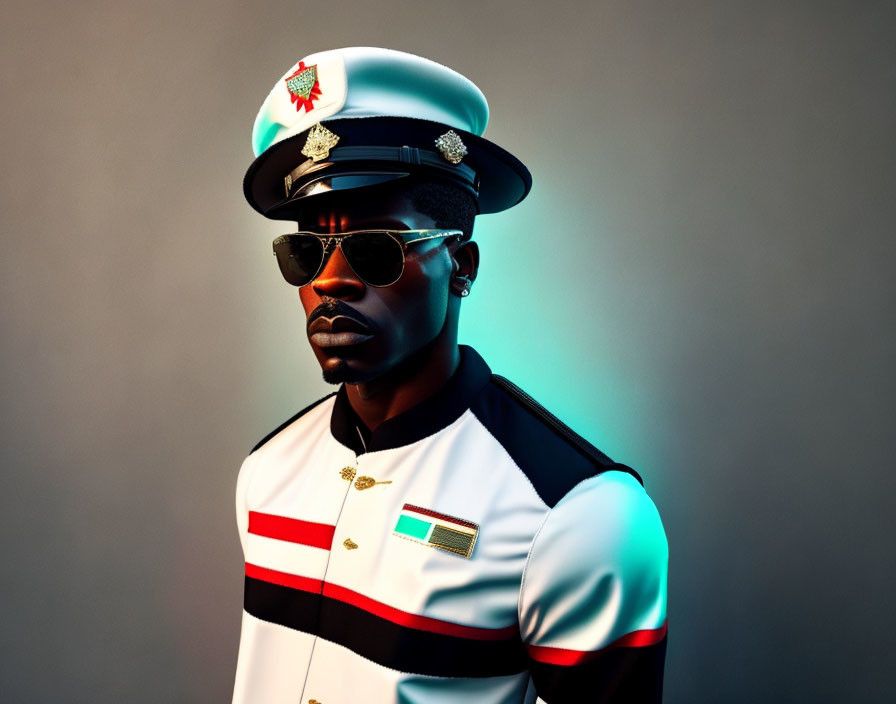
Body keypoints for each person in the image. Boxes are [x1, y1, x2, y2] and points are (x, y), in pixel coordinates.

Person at [232, 47, 668, 704]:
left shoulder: (577, 517)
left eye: (375, 247)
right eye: (305, 250)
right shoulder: (267, 475)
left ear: (461, 265)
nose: (329, 280)